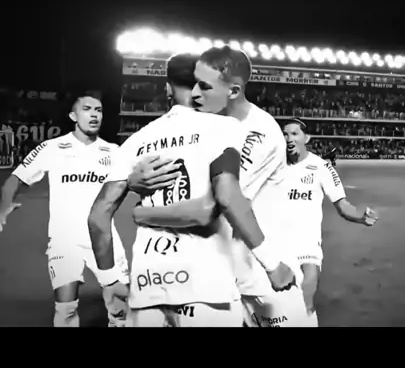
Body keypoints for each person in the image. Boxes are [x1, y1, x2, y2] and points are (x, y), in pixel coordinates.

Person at [88, 53, 296, 328]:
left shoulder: (135, 141)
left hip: (149, 281)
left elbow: (98, 216)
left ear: (167, 88)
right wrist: (273, 264)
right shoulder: (224, 128)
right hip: (208, 281)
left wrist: (110, 278)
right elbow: (220, 202)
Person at [0, 93, 130, 327]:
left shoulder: (114, 151)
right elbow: (15, 178)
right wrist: (4, 206)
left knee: (120, 310)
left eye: (99, 110)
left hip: (104, 240)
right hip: (64, 240)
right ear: (73, 115)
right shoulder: (51, 147)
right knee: (65, 311)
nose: (94, 115)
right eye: (87, 109)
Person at [282, 119, 378, 326]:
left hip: (306, 244)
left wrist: (360, 216)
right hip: (276, 243)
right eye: (285, 134)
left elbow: (342, 205)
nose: (289, 138)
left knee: (305, 296)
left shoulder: (321, 167)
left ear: (306, 138)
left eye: (294, 134)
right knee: (277, 306)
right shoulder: (273, 164)